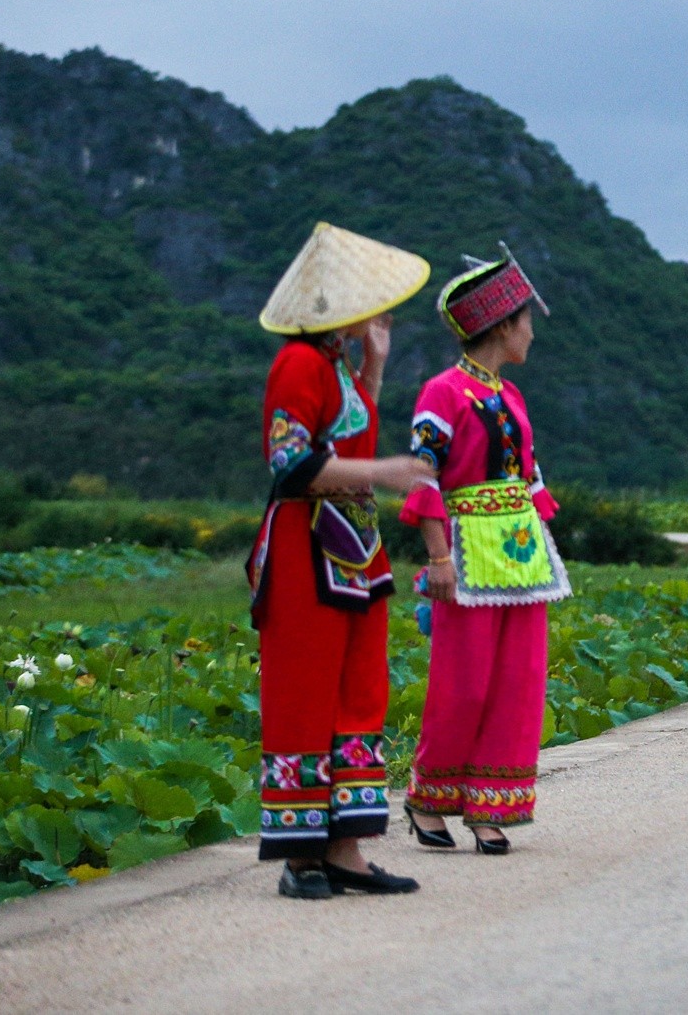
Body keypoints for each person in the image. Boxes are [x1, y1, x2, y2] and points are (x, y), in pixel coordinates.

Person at [250, 221, 435, 900]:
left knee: (357, 691)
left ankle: (345, 849)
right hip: (307, 553)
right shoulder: (298, 364)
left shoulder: (335, 366)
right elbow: (290, 463)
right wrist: (386, 471)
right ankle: (303, 857)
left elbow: (350, 436)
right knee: (306, 692)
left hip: (352, 551)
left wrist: (376, 365)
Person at [398, 246, 568, 854]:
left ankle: (490, 806)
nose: (530, 333)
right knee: (463, 683)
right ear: (500, 324)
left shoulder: (512, 397)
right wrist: (438, 557)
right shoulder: (441, 393)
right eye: (525, 321)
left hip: (521, 557)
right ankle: (429, 798)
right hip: (466, 554)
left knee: (518, 681)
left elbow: (530, 478)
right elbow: (423, 476)